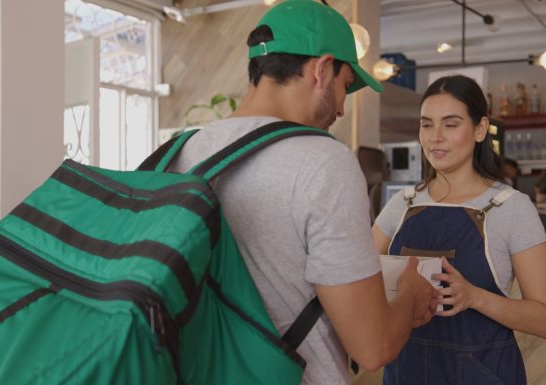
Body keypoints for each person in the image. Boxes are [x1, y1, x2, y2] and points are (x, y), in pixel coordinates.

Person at [169, 1, 437, 384]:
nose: (343, 109)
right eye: (346, 86)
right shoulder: (323, 161)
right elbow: (373, 347)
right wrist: (409, 294)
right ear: (322, 69)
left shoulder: (181, 151)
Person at [372, 75, 546, 385]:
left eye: (451, 124)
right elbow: (357, 277)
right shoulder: (401, 204)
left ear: (480, 129)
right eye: (427, 124)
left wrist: (474, 297)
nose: (435, 137)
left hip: (484, 373)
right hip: (406, 370)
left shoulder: (511, 207)